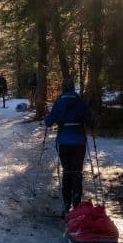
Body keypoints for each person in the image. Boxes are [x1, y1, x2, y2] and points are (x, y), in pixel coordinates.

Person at [44, 78, 93, 215]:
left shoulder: (59, 102)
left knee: (67, 171)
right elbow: (90, 121)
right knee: (77, 171)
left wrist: (47, 117)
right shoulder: (80, 101)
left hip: (64, 141)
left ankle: (66, 204)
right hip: (79, 141)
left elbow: (48, 122)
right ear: (73, 88)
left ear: (63, 88)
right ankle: (76, 202)